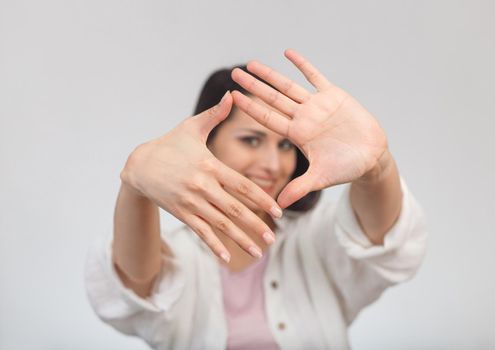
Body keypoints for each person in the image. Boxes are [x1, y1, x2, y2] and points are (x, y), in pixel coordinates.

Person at [84, 49, 427, 349]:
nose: (273, 164)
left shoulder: (315, 238)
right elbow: (135, 284)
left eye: (285, 145)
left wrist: (377, 167)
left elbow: (381, 238)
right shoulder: (179, 256)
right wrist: (136, 185)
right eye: (251, 140)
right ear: (207, 142)